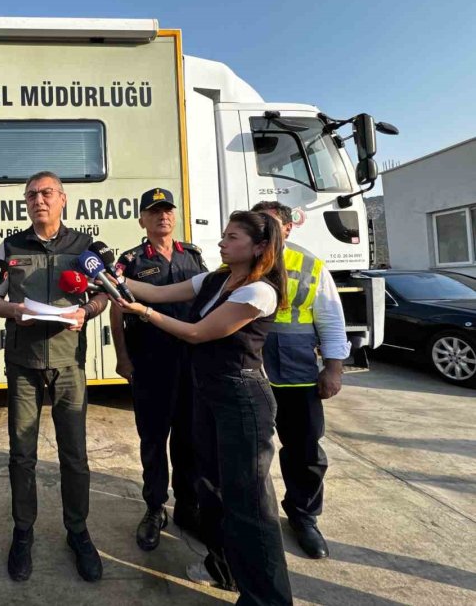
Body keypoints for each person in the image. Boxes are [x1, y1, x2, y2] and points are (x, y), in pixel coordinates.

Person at [114, 210, 293, 605]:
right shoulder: (215, 279)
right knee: (210, 489)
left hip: (242, 399)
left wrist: (142, 314)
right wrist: (109, 277)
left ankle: (266, 598)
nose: (221, 243)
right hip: (207, 394)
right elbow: (158, 292)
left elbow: (197, 333)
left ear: (259, 246)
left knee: (249, 505)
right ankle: (223, 568)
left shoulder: (259, 290)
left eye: (232, 237)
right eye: (223, 235)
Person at [0, 171, 109, 583]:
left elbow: (104, 294)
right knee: (22, 454)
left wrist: (85, 312)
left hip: (70, 363)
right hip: (23, 364)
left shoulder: (85, 246)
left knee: (74, 455)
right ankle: (23, 532)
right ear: (25, 202)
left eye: (47, 193)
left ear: (63, 199)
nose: (39, 200)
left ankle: (78, 531)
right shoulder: (11, 246)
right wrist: (14, 311)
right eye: (32, 194)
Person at [252, 200, 350, 559]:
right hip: (251, 373)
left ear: (290, 228)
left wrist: (334, 368)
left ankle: (303, 517)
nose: (268, 230)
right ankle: (255, 517)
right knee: (249, 452)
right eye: (260, 223)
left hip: (298, 377)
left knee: (306, 452)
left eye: (275, 224)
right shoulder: (239, 259)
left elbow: (330, 318)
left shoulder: (310, 264)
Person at [110, 187, 206, 551]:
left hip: (190, 363)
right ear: (142, 220)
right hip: (150, 363)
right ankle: (154, 509)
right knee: (153, 440)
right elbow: (117, 312)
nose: (162, 216)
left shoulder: (193, 256)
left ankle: (187, 506)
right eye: (154, 212)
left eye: (167, 211)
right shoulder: (131, 261)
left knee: (189, 439)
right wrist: (122, 357)